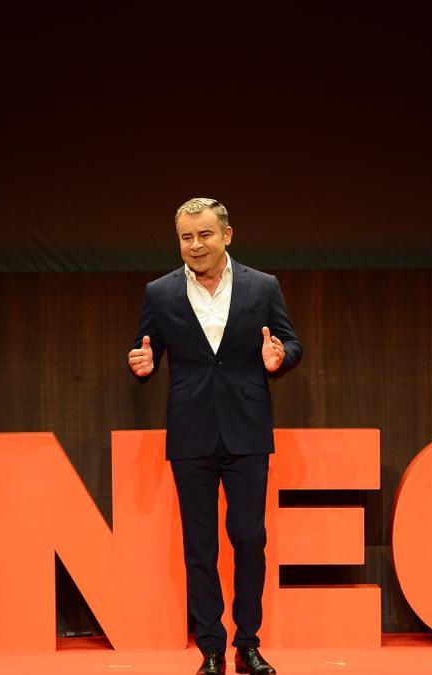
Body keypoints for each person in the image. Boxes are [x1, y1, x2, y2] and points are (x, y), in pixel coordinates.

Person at [128, 197, 301, 675]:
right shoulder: (159, 292)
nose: (195, 245)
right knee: (198, 544)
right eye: (186, 237)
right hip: (191, 432)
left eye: (204, 234)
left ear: (227, 234)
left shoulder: (262, 286)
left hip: (247, 429)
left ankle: (248, 643)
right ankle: (210, 647)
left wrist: (280, 357)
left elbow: (290, 342)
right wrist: (143, 366)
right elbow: (149, 350)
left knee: (249, 538)